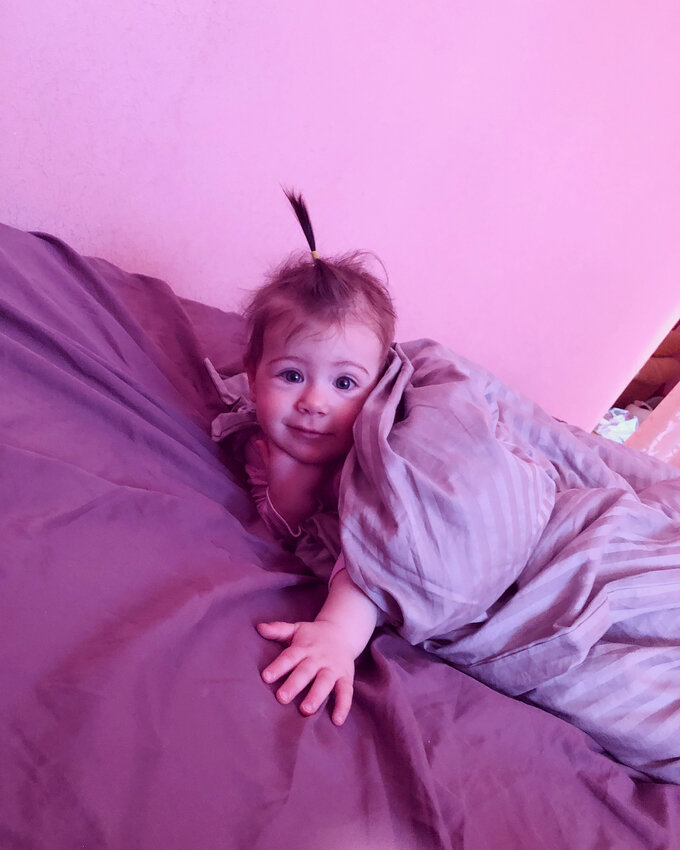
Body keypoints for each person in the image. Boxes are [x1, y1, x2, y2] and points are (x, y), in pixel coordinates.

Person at [240, 191, 395, 725]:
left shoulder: (365, 469)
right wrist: (285, 472)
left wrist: (336, 634)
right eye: (291, 375)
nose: (313, 402)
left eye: (345, 383)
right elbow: (282, 519)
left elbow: (369, 558)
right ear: (252, 377)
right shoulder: (255, 446)